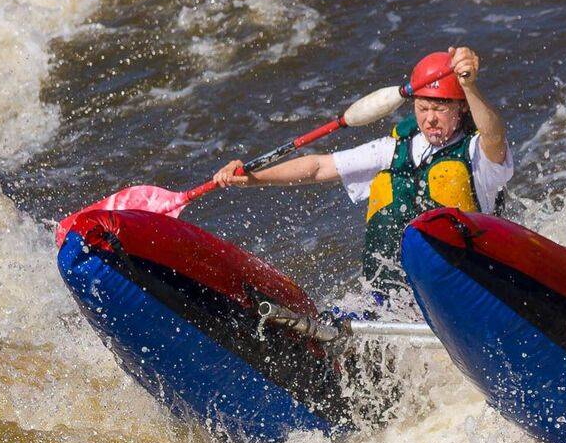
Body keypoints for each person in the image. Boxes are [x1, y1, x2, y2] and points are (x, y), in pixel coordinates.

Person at [214, 47, 513, 300]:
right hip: (392, 298)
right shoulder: (392, 149)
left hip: (461, 292)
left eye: (440, 109)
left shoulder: (477, 153)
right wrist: (251, 178)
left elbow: (495, 136)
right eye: (423, 109)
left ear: (462, 108)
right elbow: (318, 167)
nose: (430, 119)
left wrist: (469, 86)